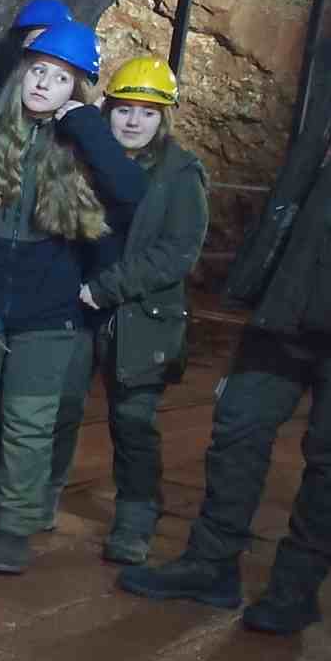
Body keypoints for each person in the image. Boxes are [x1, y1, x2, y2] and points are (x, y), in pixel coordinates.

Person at [120, 0, 331, 634]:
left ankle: (294, 589)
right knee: (240, 421)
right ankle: (212, 564)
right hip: (294, 292)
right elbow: (307, 183)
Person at [0, 22, 145, 575]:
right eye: (39, 71)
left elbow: (132, 194)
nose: (44, 84)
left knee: (28, 423)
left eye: (62, 78)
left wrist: (87, 126)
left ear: (78, 89)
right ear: (21, 73)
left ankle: (13, 526)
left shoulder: (83, 144)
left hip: (48, 317)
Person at [43, 55, 206, 563]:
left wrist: (106, 288)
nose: (134, 121)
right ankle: (39, 499)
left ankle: (136, 517)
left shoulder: (180, 174)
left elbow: (178, 251)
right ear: (107, 109)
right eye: (125, 109)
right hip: (77, 309)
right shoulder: (84, 155)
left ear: (164, 118)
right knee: (59, 408)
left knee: (133, 421)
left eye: (148, 113)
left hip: (138, 314)